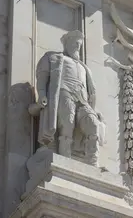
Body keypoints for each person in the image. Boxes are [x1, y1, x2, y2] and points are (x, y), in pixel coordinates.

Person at [30, 30, 105, 166]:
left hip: (82, 99)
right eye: (75, 44)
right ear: (67, 43)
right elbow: (42, 76)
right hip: (64, 93)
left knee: (93, 124)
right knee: (67, 123)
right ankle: (65, 158)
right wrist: (41, 94)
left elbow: (90, 90)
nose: (77, 47)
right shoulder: (53, 57)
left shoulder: (84, 67)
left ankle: (92, 161)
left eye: (79, 45)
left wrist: (95, 108)